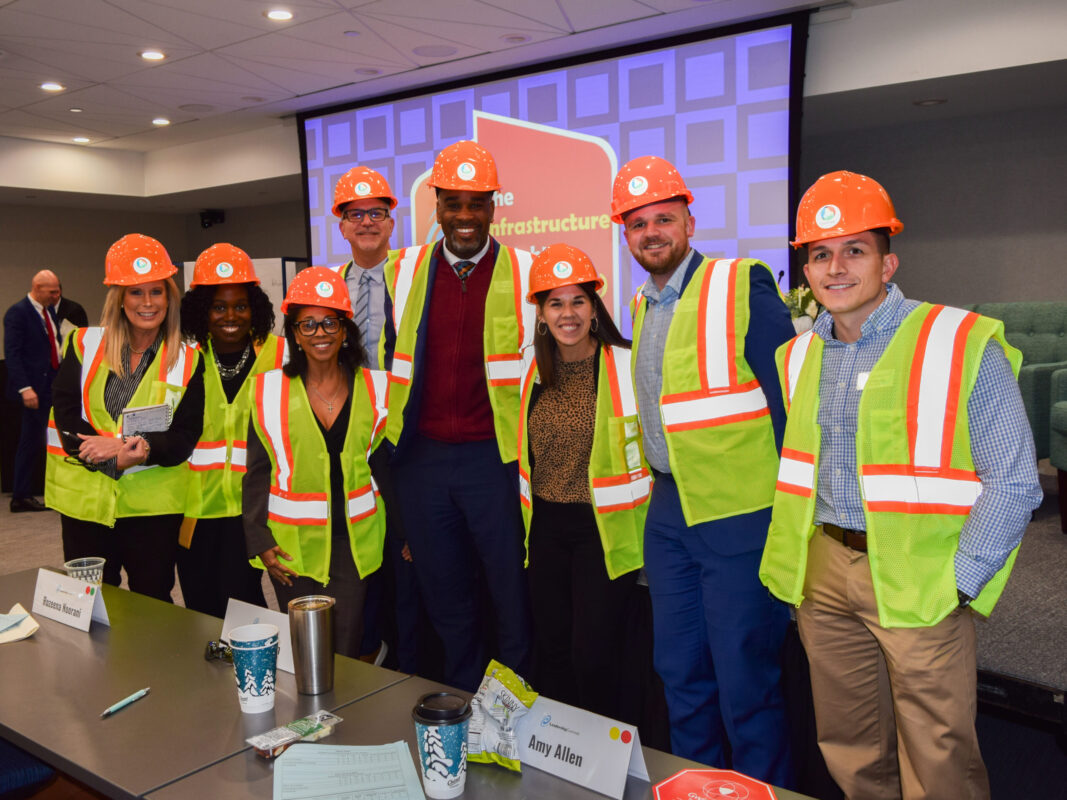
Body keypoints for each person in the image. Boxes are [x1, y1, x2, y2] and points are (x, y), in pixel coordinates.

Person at [759, 171, 1042, 799]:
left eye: (854, 250)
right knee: (851, 750)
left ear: (888, 263)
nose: (835, 267)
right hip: (823, 574)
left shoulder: (958, 341)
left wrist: (960, 581)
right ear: (806, 270)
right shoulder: (797, 356)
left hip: (922, 577)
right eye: (820, 254)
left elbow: (1015, 480)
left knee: (939, 761)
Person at [614, 155, 794, 782]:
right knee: (680, 673)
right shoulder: (642, 304)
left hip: (738, 512)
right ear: (626, 235)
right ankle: (700, 788)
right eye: (637, 224)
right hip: (668, 511)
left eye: (664, 218)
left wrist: (791, 517)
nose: (651, 233)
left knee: (745, 682)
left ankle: (762, 792)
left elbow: (788, 406)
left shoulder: (742, 284)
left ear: (690, 222)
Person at [383, 140, 534, 692]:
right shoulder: (404, 270)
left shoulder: (526, 271)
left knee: (509, 593)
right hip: (422, 461)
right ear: (438, 206)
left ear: (494, 207)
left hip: (494, 461)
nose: (465, 216)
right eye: (453, 204)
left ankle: (515, 706)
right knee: (445, 597)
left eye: (476, 204)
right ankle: (463, 701)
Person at [517, 243, 647, 719]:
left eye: (578, 301)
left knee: (593, 656)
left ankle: (602, 750)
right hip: (545, 530)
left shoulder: (626, 364)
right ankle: (560, 747)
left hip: (603, 530)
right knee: (552, 651)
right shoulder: (530, 368)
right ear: (541, 313)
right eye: (555, 303)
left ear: (594, 307)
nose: (567, 313)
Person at [45, 234, 204, 602]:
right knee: (89, 602)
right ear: (119, 298)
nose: (147, 302)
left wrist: (133, 449)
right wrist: (110, 458)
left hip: (153, 508)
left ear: (169, 298)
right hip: (84, 504)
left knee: (152, 603)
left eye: (156, 291)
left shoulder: (188, 359)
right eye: (136, 292)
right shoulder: (83, 344)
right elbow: (65, 415)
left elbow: (184, 435)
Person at [243, 267, 388, 658]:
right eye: (307, 324)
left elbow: (384, 466)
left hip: (355, 544)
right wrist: (260, 540)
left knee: (346, 647)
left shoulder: (376, 387)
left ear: (344, 330)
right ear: (294, 333)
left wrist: (406, 533)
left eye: (329, 323)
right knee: (304, 650)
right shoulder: (268, 390)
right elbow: (257, 471)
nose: (319, 333)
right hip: (291, 546)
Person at [330, 166, 419, 671]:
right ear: (341, 225)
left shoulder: (414, 280)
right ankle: (368, 645)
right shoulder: (330, 285)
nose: (367, 222)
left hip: (404, 435)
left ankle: (405, 654)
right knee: (357, 542)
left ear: (391, 221)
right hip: (347, 436)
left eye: (377, 213)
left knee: (404, 548)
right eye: (356, 214)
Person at [177, 243, 282, 617]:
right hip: (195, 512)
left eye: (241, 306)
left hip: (256, 509)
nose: (230, 316)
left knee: (246, 606)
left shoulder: (281, 356)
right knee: (200, 608)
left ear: (255, 308)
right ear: (202, 311)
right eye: (218, 307)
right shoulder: (184, 360)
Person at [4, 270, 62, 512]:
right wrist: (25, 388)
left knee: (49, 441)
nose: (56, 296)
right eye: (52, 291)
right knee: (30, 441)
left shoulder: (48, 312)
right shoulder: (18, 313)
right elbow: (12, 354)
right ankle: (21, 495)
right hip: (34, 390)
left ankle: (38, 492)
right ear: (37, 288)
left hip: (51, 386)